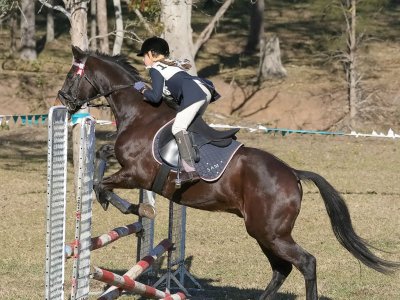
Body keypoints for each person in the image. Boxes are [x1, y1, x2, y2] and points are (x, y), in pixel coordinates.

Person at [134, 36, 214, 184]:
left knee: (178, 127)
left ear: (151, 54)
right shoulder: (171, 65)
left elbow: (156, 97)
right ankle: (202, 157)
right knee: (189, 127)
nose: (143, 60)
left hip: (194, 94)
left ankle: (190, 171)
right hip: (204, 90)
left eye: (144, 56)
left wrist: (142, 90)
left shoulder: (155, 68)